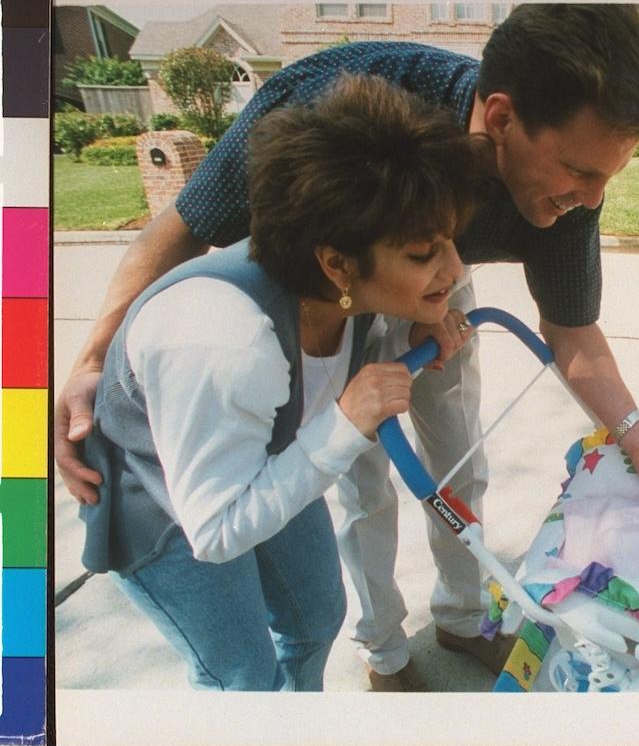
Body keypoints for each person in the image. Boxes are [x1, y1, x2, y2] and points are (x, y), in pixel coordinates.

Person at [55, 4, 639, 689]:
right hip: (311, 296)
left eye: (607, 177)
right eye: (581, 173)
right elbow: (185, 227)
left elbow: (571, 327)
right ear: (499, 120)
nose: (592, 199)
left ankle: (464, 617)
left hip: (386, 289)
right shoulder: (335, 113)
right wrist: (94, 361)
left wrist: (638, 433)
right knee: (358, 477)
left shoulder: (552, 192)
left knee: (453, 465)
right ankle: (383, 651)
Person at [79, 74, 486, 690]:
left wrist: (409, 342)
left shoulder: (342, 287)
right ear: (335, 262)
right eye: (425, 253)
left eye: (451, 243)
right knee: (242, 675)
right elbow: (215, 532)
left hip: (270, 450)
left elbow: (338, 359)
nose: (454, 271)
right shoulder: (224, 340)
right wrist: (347, 424)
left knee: (317, 616)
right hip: (166, 504)